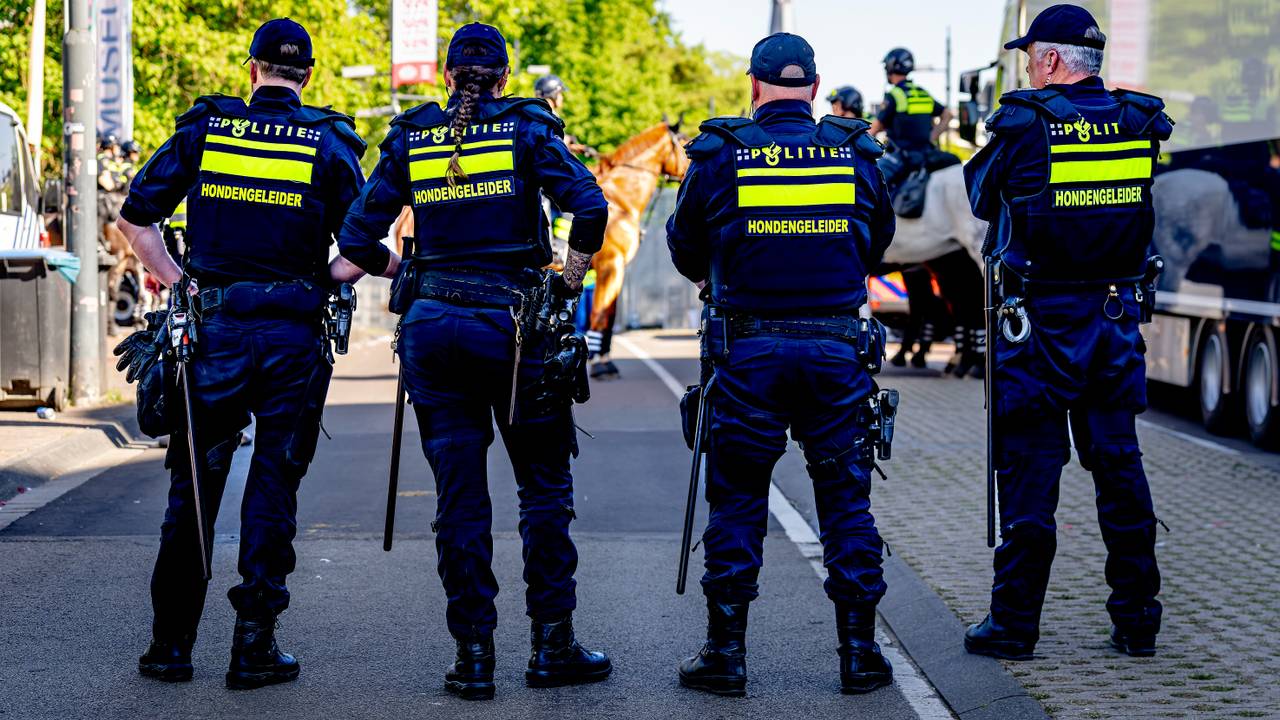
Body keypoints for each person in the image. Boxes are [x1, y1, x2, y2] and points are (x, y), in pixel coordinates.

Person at [333, 23, 612, 701]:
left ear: (446, 76)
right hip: (514, 329)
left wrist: (407, 273)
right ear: (505, 79)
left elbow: (355, 236)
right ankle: (552, 645)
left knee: (458, 497)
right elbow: (590, 205)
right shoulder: (529, 128)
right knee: (542, 489)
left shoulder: (411, 136)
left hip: (433, 329)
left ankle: (474, 657)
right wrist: (568, 284)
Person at [115, 17, 368, 689]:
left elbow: (134, 220)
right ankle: (254, 647)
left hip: (212, 334)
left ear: (252, 69)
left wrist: (180, 283)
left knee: (194, 488)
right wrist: (324, 280)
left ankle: (170, 646)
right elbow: (363, 249)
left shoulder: (207, 130)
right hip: (293, 338)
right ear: (307, 76)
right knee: (273, 487)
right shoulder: (330, 143)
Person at [666, 32, 897, 696]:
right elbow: (877, 243)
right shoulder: (855, 152)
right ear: (816, 88)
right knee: (846, 502)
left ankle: (725, 656)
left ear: (754, 86)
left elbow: (684, 247)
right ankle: (860, 656)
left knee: (738, 501)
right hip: (836, 353)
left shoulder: (720, 153)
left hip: (748, 355)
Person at [963, 4, 1172, 660]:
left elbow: (981, 198)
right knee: (1120, 471)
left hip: (1039, 332)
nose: (1030, 68)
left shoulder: (1024, 124)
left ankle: (1014, 626)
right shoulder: (1139, 121)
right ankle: (1138, 620)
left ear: (1051, 59)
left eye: (1032, 58)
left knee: (1030, 475)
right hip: (1114, 323)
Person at [868, 47, 954, 189]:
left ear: (890, 67)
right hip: (926, 154)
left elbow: (874, 129)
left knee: (872, 182)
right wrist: (932, 136)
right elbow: (948, 115)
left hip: (901, 157)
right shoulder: (922, 93)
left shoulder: (894, 94)